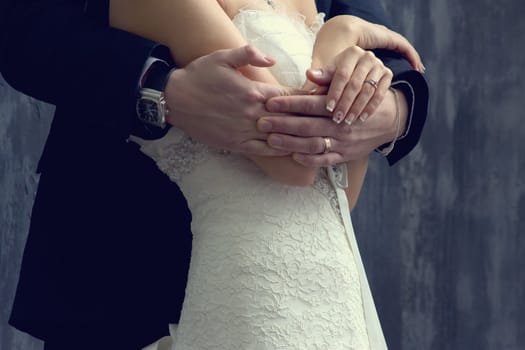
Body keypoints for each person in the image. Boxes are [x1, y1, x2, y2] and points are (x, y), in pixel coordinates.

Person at [0, 0, 428, 350]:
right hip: (122, 249)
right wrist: (157, 90)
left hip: (318, 290)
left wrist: (383, 104)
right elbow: (22, 24)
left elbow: (337, 190)